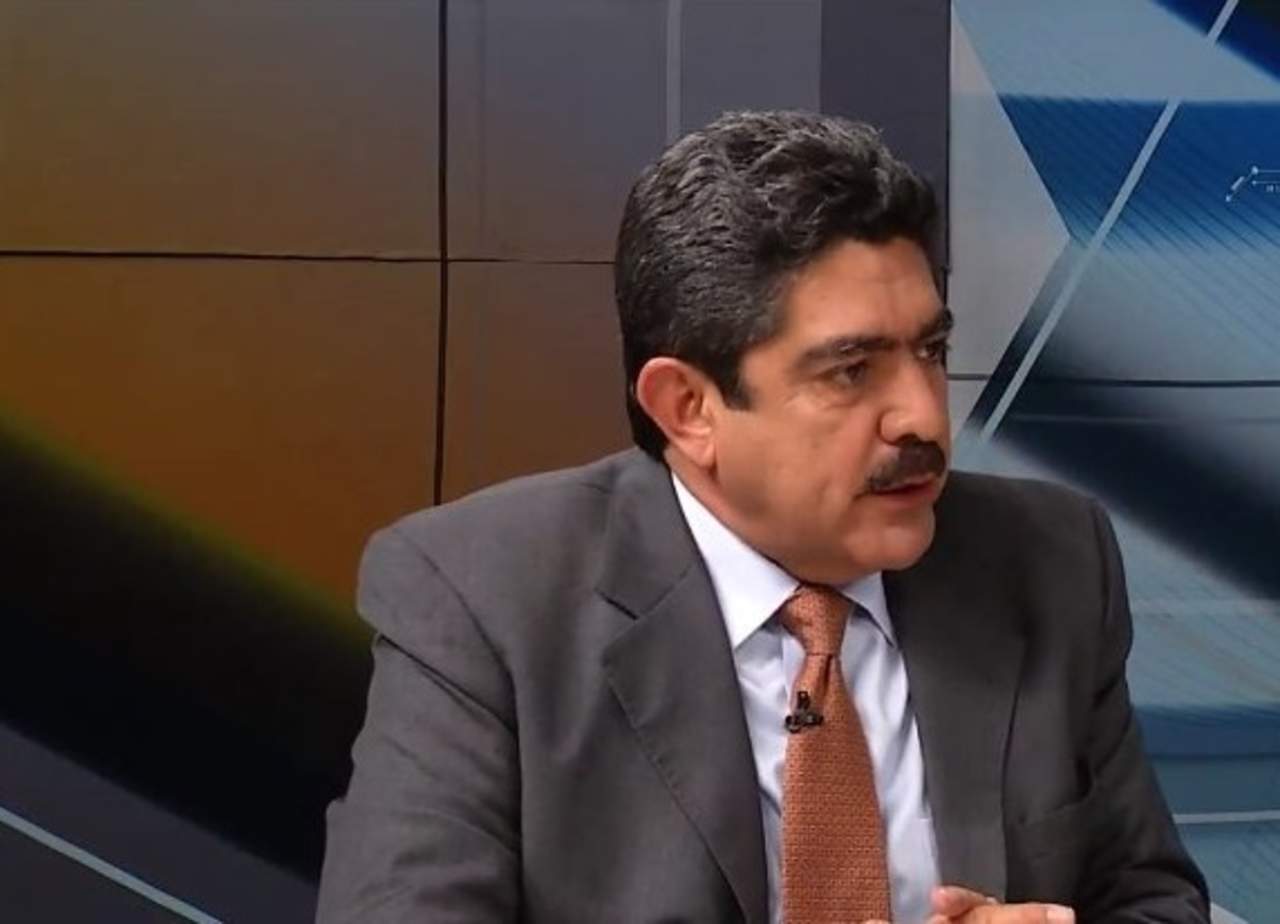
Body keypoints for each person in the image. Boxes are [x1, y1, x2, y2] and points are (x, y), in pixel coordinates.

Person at [317, 110, 1208, 923]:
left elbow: (1154, 901)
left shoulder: (1050, 560)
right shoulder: (486, 602)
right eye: (851, 371)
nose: (924, 419)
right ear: (689, 410)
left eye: (932, 351)